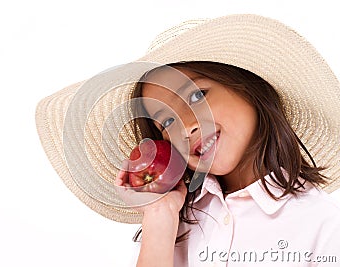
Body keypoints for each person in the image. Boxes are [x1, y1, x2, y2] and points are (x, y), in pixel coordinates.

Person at [35, 14, 340, 266]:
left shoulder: (322, 225)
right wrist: (159, 215)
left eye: (197, 95)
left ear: (250, 89)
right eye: (166, 121)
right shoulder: (172, 227)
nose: (185, 126)